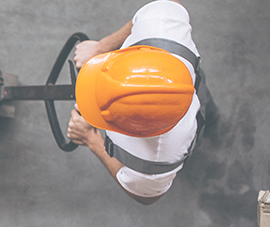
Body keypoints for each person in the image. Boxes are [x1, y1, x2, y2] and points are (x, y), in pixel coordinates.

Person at [67, 1, 211, 205]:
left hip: (185, 132)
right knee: (207, 103)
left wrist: (91, 140)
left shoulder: (156, 157)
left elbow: (147, 197)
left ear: (138, 131)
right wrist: (101, 47)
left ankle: (211, 117)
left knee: (207, 112)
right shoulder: (161, 25)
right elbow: (167, 4)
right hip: (190, 84)